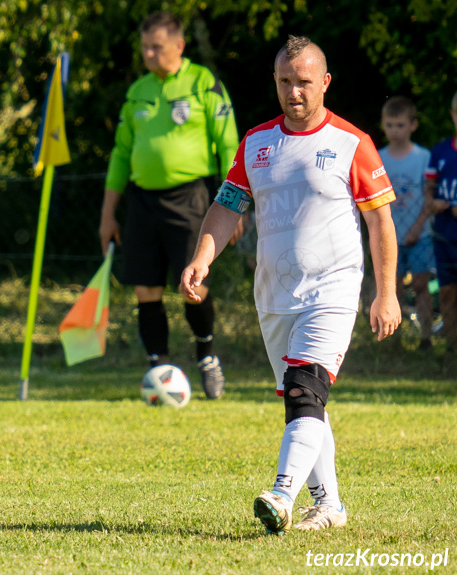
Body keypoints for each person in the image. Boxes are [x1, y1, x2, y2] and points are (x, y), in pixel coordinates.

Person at [181, 35, 401, 534]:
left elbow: (381, 223)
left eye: (304, 81)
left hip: (333, 290)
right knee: (302, 400)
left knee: (305, 390)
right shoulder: (257, 143)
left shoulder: (352, 143)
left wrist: (385, 294)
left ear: (324, 82)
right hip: (274, 296)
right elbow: (227, 206)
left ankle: (281, 495)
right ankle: (329, 505)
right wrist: (202, 258)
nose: (294, 91)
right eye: (285, 81)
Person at [99, 11, 240, 399]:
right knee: (146, 289)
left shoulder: (204, 84)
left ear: (178, 46)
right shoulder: (138, 91)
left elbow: (229, 144)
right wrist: (108, 213)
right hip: (143, 202)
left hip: (192, 198)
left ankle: (206, 354)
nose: (147, 54)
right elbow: (120, 154)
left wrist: (236, 204)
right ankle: (157, 367)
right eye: (144, 47)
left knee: (193, 286)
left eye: (156, 47)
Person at [379, 96, 435, 350]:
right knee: (393, 288)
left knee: (422, 285)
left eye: (400, 125)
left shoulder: (423, 157)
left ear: (413, 125)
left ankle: (426, 337)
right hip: (389, 236)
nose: (395, 130)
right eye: (390, 125)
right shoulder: (379, 158)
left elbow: (429, 196)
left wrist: (417, 226)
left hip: (420, 233)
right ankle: (395, 340)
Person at [424, 90, 457, 356]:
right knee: (446, 290)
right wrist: (434, 203)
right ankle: (450, 345)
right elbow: (429, 190)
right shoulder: (441, 151)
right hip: (445, 233)